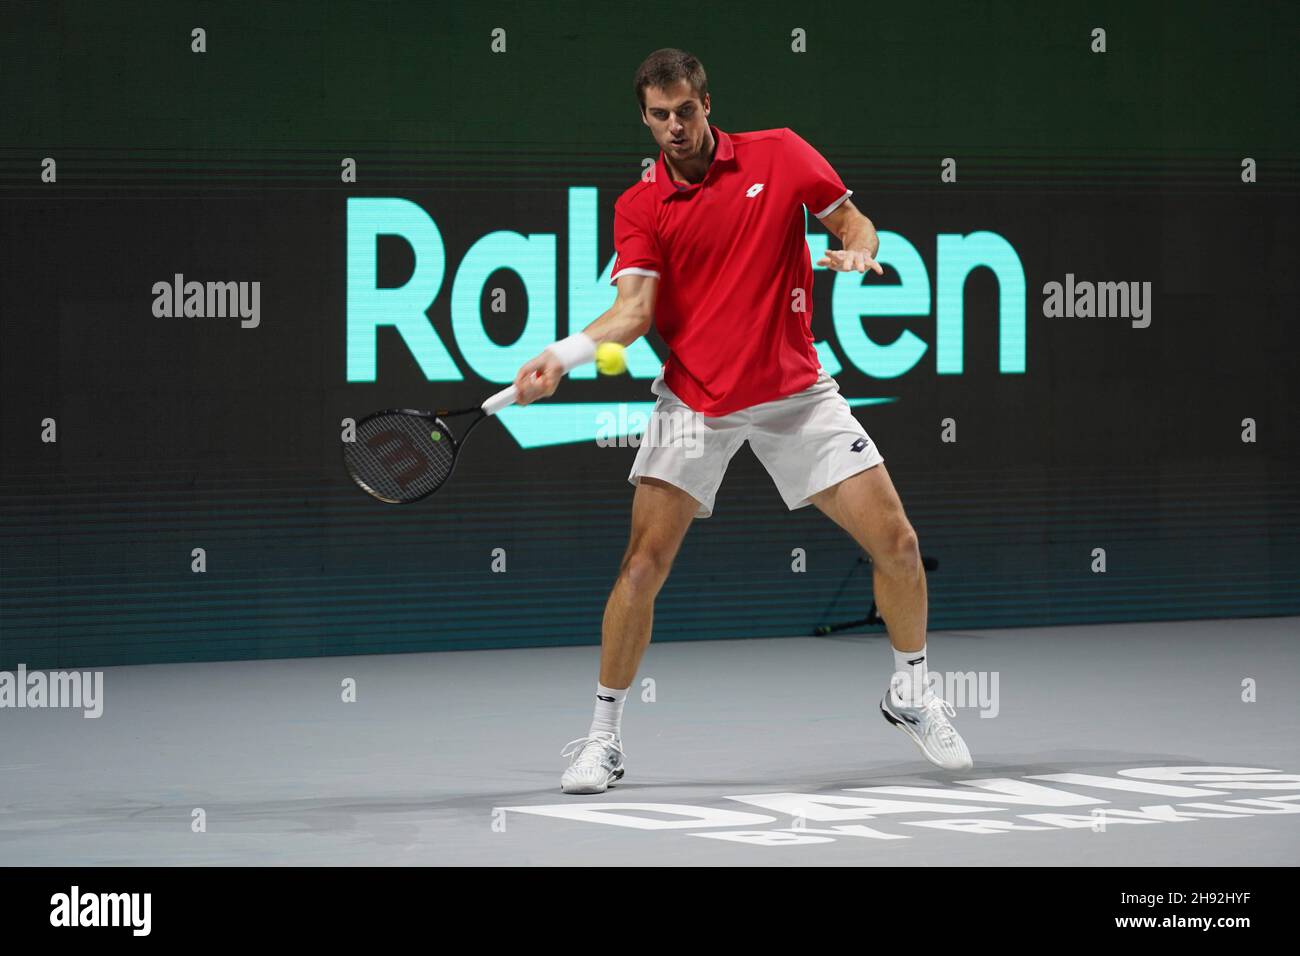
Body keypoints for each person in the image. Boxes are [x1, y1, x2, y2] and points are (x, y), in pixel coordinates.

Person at [510, 48, 972, 794]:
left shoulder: (779, 153)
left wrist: (857, 252)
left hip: (796, 393)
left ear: (706, 103)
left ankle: (912, 694)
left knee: (899, 542)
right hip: (694, 401)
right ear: (645, 118)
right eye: (658, 116)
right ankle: (602, 740)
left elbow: (854, 223)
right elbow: (633, 312)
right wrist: (564, 355)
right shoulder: (640, 205)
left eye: (684, 111)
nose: (673, 127)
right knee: (640, 568)